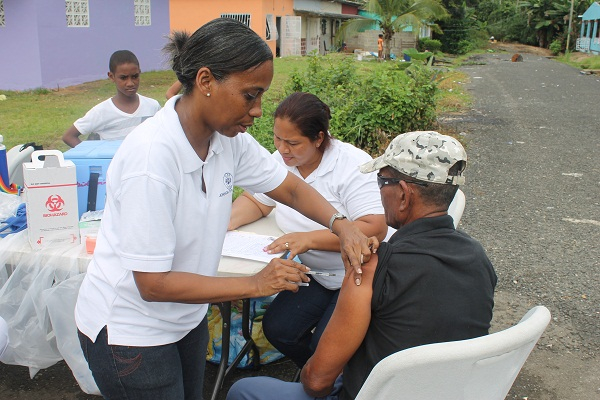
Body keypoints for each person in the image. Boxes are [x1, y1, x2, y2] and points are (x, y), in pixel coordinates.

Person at [75, 18, 375, 400]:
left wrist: (342, 224)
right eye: (250, 95)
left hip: (185, 317)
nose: (259, 110)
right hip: (131, 332)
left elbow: (289, 188)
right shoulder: (151, 160)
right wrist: (256, 284)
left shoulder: (227, 139)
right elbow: (152, 284)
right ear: (205, 81)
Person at [227, 130, 498, 400]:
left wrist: (330, 376)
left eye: (382, 181)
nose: (378, 191)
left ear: (404, 195)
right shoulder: (477, 257)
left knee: (242, 390)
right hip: (453, 391)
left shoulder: (372, 267)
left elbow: (317, 382)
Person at [229, 92, 387, 368]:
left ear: (319, 138)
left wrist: (308, 240)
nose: (282, 149)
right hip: (318, 273)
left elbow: (373, 228)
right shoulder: (281, 161)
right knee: (279, 330)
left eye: (292, 143)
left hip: (359, 273)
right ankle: (323, 376)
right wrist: (225, 223)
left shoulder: (351, 166)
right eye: (277, 138)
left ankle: (337, 376)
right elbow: (257, 200)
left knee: (327, 344)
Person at [62, 50, 161, 148]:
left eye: (135, 76)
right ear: (111, 76)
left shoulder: (152, 106)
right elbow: (69, 137)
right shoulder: (101, 112)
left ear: (139, 73)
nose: (130, 83)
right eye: (123, 78)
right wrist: (92, 154)